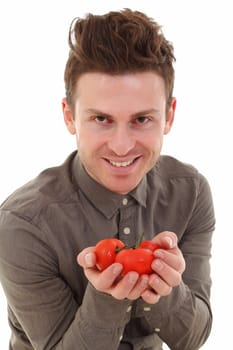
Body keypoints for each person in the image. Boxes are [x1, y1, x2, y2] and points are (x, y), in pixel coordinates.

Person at [0, 8, 215, 350]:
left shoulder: (190, 193)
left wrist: (168, 292)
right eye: (101, 118)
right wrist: (106, 299)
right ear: (70, 117)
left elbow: (191, 339)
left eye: (142, 119)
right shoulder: (23, 223)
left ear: (169, 116)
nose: (121, 146)